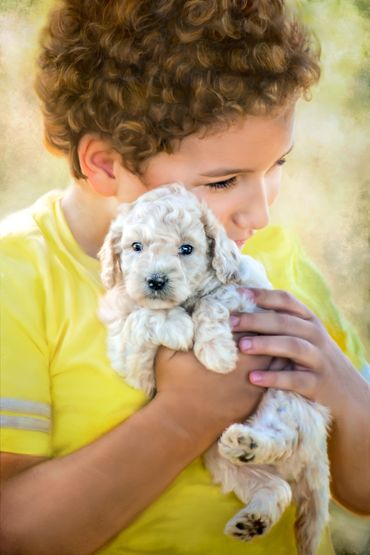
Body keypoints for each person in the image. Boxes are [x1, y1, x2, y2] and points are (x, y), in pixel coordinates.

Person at [1, 1, 369, 553]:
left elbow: (361, 491)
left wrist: (339, 383)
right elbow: (15, 533)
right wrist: (186, 416)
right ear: (106, 165)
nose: (260, 214)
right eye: (224, 182)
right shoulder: (19, 278)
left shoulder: (273, 259)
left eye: (276, 168)